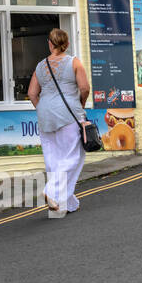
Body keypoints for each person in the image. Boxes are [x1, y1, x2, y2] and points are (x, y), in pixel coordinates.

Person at [27, 28, 91, 219]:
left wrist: (42, 108)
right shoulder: (74, 62)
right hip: (68, 115)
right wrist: (80, 103)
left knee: (53, 159)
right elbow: (85, 88)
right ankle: (52, 191)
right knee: (73, 156)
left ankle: (67, 203)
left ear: (49, 43)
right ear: (67, 43)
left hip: (45, 115)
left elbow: (31, 93)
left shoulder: (40, 66)